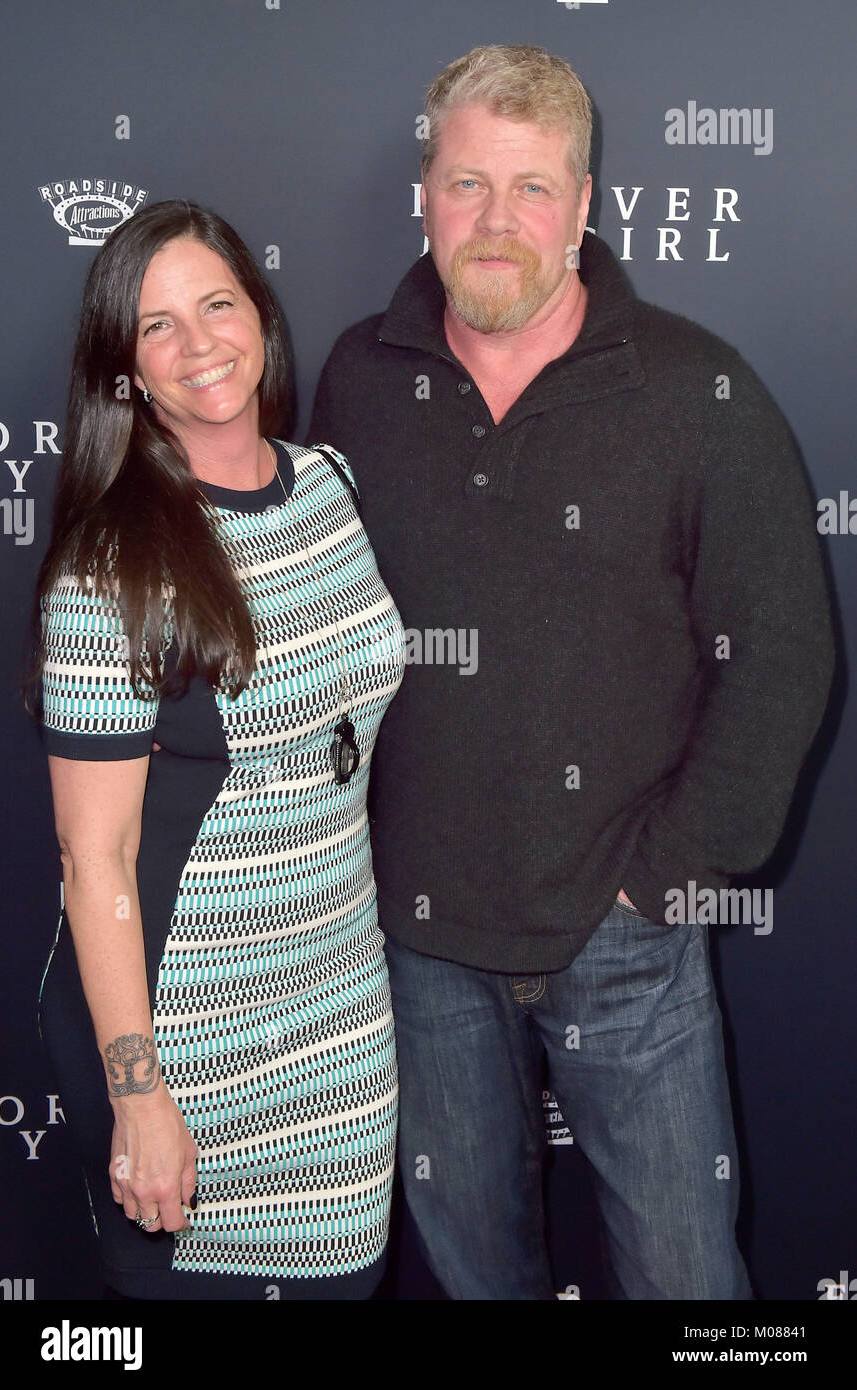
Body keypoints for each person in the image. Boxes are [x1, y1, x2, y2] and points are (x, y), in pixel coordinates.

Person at [309, 45, 834, 1299]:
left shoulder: (695, 388)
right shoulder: (355, 379)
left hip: (626, 940)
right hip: (418, 935)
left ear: (585, 206)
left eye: (532, 188)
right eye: (467, 183)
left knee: (685, 1281)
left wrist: (663, 876)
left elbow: (782, 648)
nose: (497, 223)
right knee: (474, 1272)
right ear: (424, 191)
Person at [28, 200, 405, 1299]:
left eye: (216, 305)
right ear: (126, 369)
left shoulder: (330, 485)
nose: (200, 345)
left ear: (259, 316)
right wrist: (139, 1095)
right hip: (182, 1033)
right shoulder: (110, 565)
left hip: (341, 1012)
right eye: (156, 327)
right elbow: (93, 857)